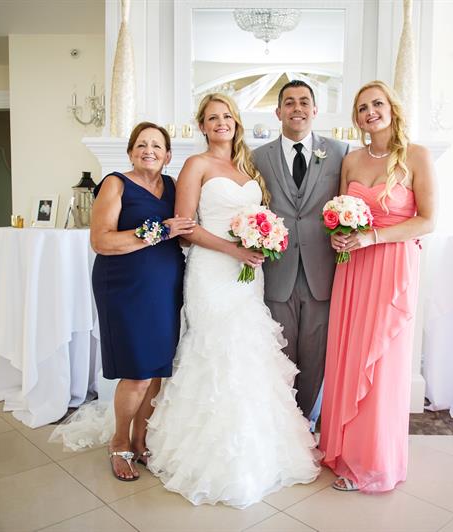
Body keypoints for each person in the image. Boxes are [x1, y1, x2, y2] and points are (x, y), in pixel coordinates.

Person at [145, 93, 320, 508]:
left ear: (236, 122)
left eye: (226, 116)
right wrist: (234, 250)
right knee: (215, 351)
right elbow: (186, 228)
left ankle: (256, 451)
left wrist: (261, 241)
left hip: (249, 275)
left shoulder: (248, 167)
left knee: (248, 352)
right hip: (212, 271)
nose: (220, 122)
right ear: (202, 126)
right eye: (212, 118)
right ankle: (207, 454)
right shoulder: (196, 165)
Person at [319, 81, 437, 492]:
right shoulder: (351, 161)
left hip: (391, 264)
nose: (370, 111)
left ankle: (372, 462)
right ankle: (343, 451)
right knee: (349, 356)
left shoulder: (417, 156)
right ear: (357, 118)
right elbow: (338, 213)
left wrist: (374, 238)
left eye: (377, 103)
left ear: (392, 108)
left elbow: (427, 221)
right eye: (363, 107)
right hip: (352, 266)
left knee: (381, 363)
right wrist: (337, 234)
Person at [85, 122, 194, 482]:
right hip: (124, 287)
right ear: (131, 151)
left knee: (158, 370)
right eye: (142, 145)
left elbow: (185, 230)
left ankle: (141, 439)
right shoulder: (116, 183)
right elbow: (101, 241)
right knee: (138, 372)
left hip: (164, 288)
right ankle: (119, 442)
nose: (149, 150)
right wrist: (159, 231)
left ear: (168, 155)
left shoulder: (173, 186)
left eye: (157, 146)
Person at [252, 80, 349, 431]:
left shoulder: (340, 151)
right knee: (279, 353)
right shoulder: (257, 156)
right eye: (289, 102)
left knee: (315, 355)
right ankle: (280, 427)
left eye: (304, 101)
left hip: (322, 271)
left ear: (315, 110)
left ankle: (305, 423)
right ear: (278, 112)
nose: (297, 108)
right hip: (277, 272)